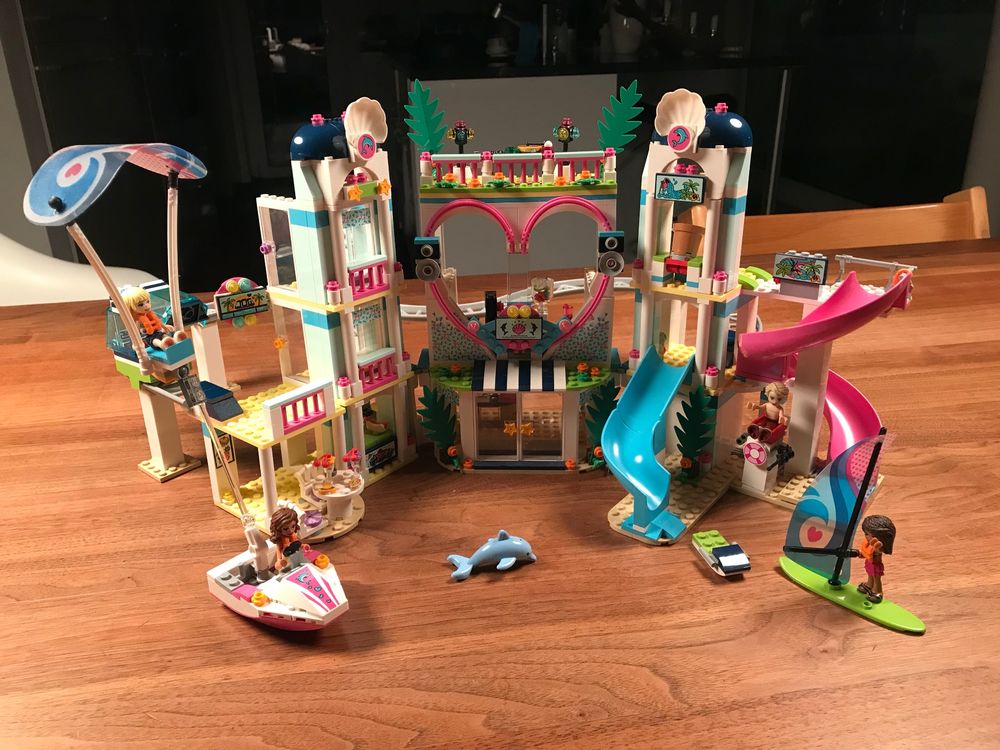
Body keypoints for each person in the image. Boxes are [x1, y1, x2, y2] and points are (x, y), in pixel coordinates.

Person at [121, 286, 186, 350]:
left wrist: (165, 327)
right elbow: (136, 333)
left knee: (164, 336)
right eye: (141, 305)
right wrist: (136, 342)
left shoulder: (149, 315)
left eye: (147, 301)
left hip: (158, 332)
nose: (146, 305)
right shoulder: (138, 321)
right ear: (130, 308)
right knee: (155, 341)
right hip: (148, 338)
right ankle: (162, 345)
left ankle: (175, 340)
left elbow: (159, 323)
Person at [857, 514, 895, 604]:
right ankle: (869, 585)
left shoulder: (877, 546)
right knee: (870, 574)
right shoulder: (870, 544)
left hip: (875, 565)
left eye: (867, 534)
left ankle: (878, 592)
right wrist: (861, 553)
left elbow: (876, 552)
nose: (865, 536)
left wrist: (877, 548)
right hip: (869, 563)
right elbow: (867, 553)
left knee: (876, 578)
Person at [269, 507, 310, 572]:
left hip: (297, 556)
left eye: (293, 526)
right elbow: (278, 551)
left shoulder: (294, 535)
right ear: (278, 529)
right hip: (287, 560)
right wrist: (279, 561)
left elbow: (298, 544)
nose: (290, 531)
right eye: (285, 529)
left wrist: (303, 546)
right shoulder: (280, 541)